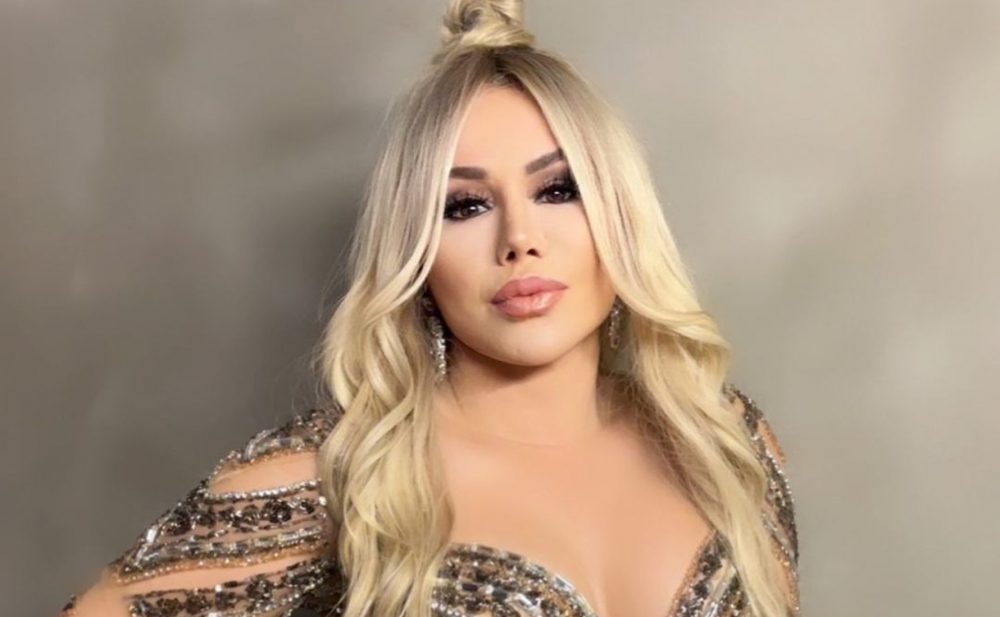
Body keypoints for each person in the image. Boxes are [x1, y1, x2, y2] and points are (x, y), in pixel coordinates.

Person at [58, 0, 800, 616]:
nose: (519, 239)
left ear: (621, 215)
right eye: (465, 206)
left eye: (558, 189)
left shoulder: (724, 442)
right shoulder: (344, 474)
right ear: (416, 252)